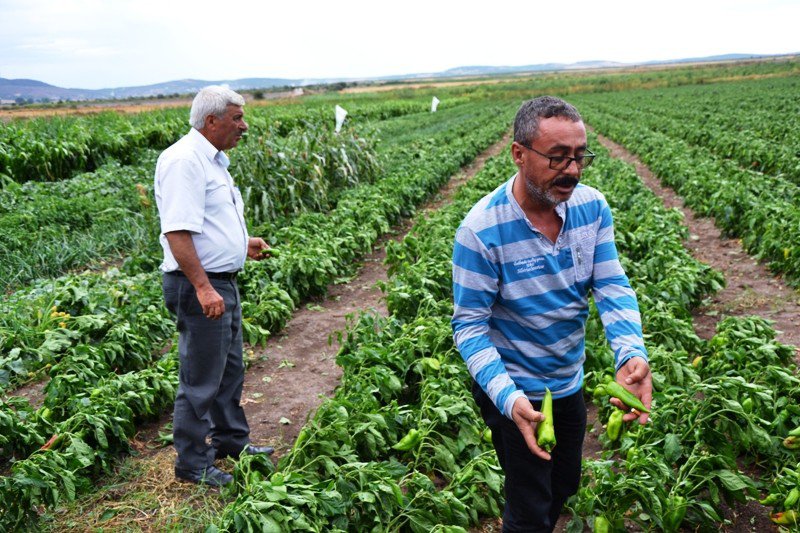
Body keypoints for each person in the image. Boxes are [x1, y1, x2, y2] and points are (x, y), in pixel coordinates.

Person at [451, 96, 652, 532]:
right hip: (515, 389)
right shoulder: (480, 230)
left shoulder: (591, 206)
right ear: (519, 154)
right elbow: (468, 326)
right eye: (558, 158)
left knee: (564, 484)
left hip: (567, 379)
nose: (573, 171)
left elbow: (611, 284)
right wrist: (508, 398)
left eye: (581, 157)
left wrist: (629, 354)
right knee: (529, 506)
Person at [154, 85, 274, 487]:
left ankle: (230, 443)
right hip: (200, 287)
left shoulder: (214, 161)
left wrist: (243, 244)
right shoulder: (184, 161)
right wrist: (204, 288)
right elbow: (178, 232)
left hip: (222, 281)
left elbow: (208, 223)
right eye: (237, 118)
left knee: (229, 371)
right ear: (211, 121)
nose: (244, 125)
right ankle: (192, 462)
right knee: (201, 377)